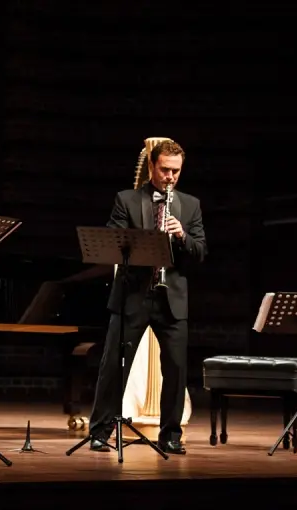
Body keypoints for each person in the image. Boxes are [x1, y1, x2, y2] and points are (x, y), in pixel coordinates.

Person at [86, 139, 207, 455]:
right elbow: (114, 241)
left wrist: (181, 235)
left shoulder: (190, 205)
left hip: (172, 299)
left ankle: (171, 435)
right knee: (114, 365)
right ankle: (100, 431)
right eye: (165, 170)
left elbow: (200, 252)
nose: (170, 177)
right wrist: (147, 240)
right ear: (152, 166)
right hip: (134, 294)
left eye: (176, 171)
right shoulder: (126, 200)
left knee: (176, 369)